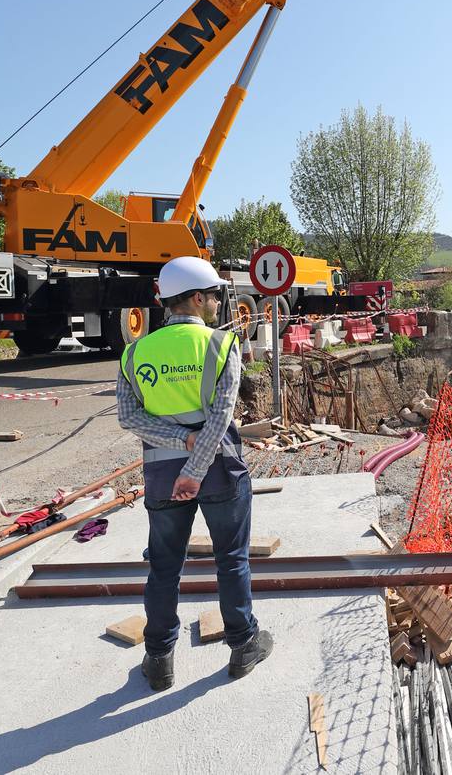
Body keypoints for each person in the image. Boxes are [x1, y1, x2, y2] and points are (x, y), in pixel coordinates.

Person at [117, 256, 272, 691]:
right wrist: (197, 464)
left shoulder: (135, 354)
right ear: (199, 298)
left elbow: (129, 418)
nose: (215, 307)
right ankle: (244, 646)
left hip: (162, 475)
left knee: (164, 568)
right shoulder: (221, 346)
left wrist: (178, 444)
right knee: (231, 560)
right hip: (219, 470)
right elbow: (221, 415)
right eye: (213, 299)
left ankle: (159, 659)